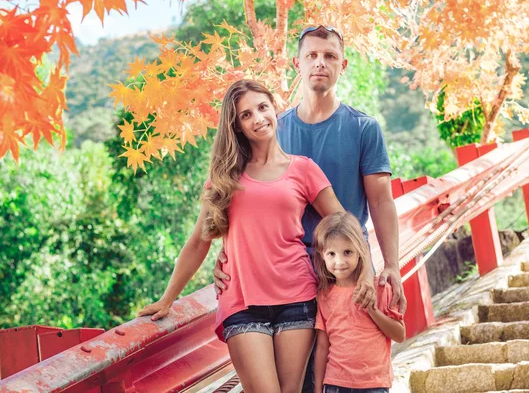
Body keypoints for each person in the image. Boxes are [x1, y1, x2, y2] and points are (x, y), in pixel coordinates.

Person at [138, 79, 347, 393]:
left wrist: (342, 277)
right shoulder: (225, 177)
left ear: (274, 107)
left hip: (297, 296)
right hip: (242, 302)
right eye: (246, 115)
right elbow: (199, 240)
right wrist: (168, 298)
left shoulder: (303, 169)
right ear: (236, 126)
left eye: (262, 107)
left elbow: (342, 226)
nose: (258, 118)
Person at [214, 25, 406, 311]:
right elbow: (248, 196)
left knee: (350, 354)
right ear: (297, 64)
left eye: (330, 56)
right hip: (286, 270)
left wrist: (392, 266)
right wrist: (226, 251)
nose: (320, 62)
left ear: (343, 65)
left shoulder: (363, 128)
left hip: (347, 267)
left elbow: (380, 201)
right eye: (312, 55)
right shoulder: (272, 129)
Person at [313, 212, 406, 393]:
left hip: (374, 383)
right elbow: (323, 347)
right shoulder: (324, 295)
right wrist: (318, 389)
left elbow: (399, 335)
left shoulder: (380, 288)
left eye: (347, 252)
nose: (339, 262)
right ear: (322, 255)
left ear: (360, 251)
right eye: (331, 253)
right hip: (336, 383)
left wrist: (372, 310)